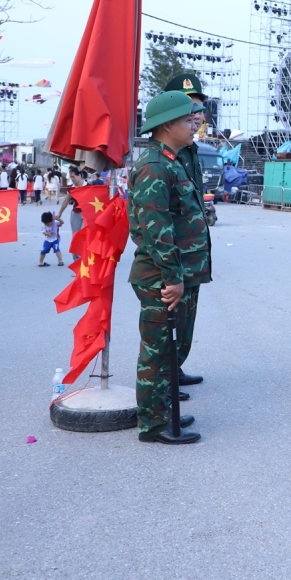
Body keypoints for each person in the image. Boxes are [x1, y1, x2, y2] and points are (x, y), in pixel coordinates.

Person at [127, 91, 210, 445]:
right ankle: (153, 424)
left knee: (170, 351)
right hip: (162, 277)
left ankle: (163, 411)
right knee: (157, 351)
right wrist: (173, 279)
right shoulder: (154, 167)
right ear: (166, 125)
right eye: (186, 120)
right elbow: (157, 229)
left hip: (179, 275)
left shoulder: (171, 161)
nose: (194, 125)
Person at [162, 73, 211, 388]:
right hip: (174, 253)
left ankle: (175, 368)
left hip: (192, 252)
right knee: (169, 319)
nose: (196, 115)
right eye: (189, 107)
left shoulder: (191, 149)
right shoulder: (166, 152)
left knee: (187, 319)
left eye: (199, 107)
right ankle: (163, 378)